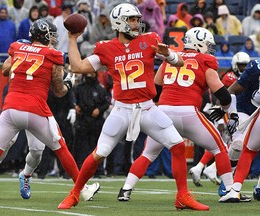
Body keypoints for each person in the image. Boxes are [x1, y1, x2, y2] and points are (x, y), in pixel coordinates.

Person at [57, 3, 214, 211]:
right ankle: (75, 193)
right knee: (100, 152)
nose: (136, 23)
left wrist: (169, 55)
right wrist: (72, 39)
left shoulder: (149, 40)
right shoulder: (106, 47)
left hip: (148, 108)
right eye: (131, 19)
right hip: (122, 110)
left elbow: (179, 63)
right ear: (120, 22)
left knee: (177, 145)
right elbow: (78, 66)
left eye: (136, 19)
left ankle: (182, 196)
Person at [0, 19, 94, 204]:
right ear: (44, 36)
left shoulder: (17, 47)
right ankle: (83, 189)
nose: (53, 40)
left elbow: (7, 69)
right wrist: (69, 83)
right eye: (51, 36)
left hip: (11, 108)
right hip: (36, 110)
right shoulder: (53, 54)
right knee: (61, 150)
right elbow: (59, 90)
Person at [117, 27, 234, 207]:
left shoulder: (170, 58)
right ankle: (231, 190)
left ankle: (125, 189)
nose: (210, 49)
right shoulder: (204, 60)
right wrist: (224, 108)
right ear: (199, 43)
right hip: (188, 112)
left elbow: (155, 89)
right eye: (208, 45)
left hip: (163, 112)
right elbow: (224, 95)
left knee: (148, 153)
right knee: (220, 148)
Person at [189, 52, 250, 187]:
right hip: (226, 113)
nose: (243, 68)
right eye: (241, 65)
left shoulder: (242, 76)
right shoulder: (229, 77)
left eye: (245, 66)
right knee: (229, 144)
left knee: (224, 144)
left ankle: (203, 167)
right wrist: (222, 120)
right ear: (235, 64)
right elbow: (222, 97)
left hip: (234, 112)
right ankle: (209, 169)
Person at [217, 59, 260, 203]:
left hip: (257, 112)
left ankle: (246, 188)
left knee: (247, 149)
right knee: (239, 144)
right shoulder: (254, 68)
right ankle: (228, 185)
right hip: (244, 110)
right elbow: (231, 90)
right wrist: (230, 113)